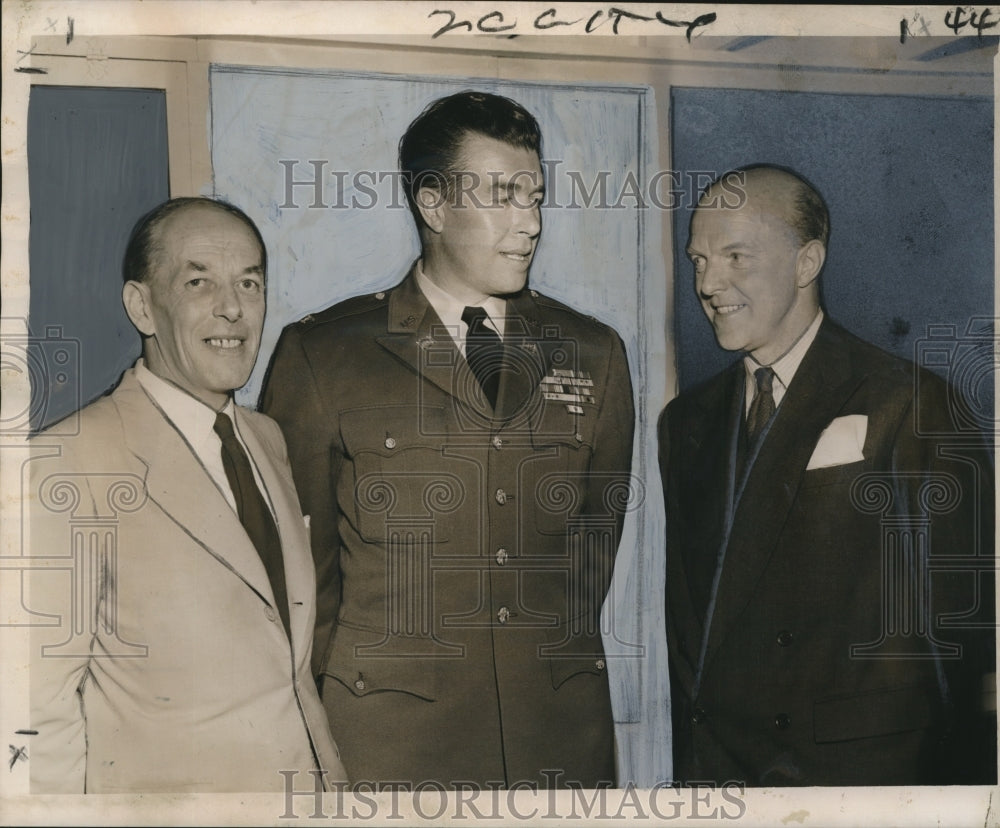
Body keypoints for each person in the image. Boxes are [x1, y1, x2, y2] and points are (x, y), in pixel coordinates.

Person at [261, 90, 635, 789]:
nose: (530, 223)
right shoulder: (325, 355)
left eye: (535, 196)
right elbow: (303, 585)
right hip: (394, 751)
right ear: (433, 204)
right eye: (502, 195)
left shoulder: (594, 352)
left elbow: (593, 554)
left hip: (554, 743)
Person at [658, 164, 996, 786]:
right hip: (723, 782)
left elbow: (966, 638)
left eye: (735, 256)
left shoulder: (911, 403)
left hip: (860, 783)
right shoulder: (685, 423)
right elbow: (690, 634)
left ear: (807, 262)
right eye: (699, 260)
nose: (708, 283)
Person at [28, 197, 347, 793]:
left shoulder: (266, 439)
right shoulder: (65, 462)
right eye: (198, 282)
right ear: (142, 306)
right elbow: (33, 714)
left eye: (249, 283)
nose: (232, 308)